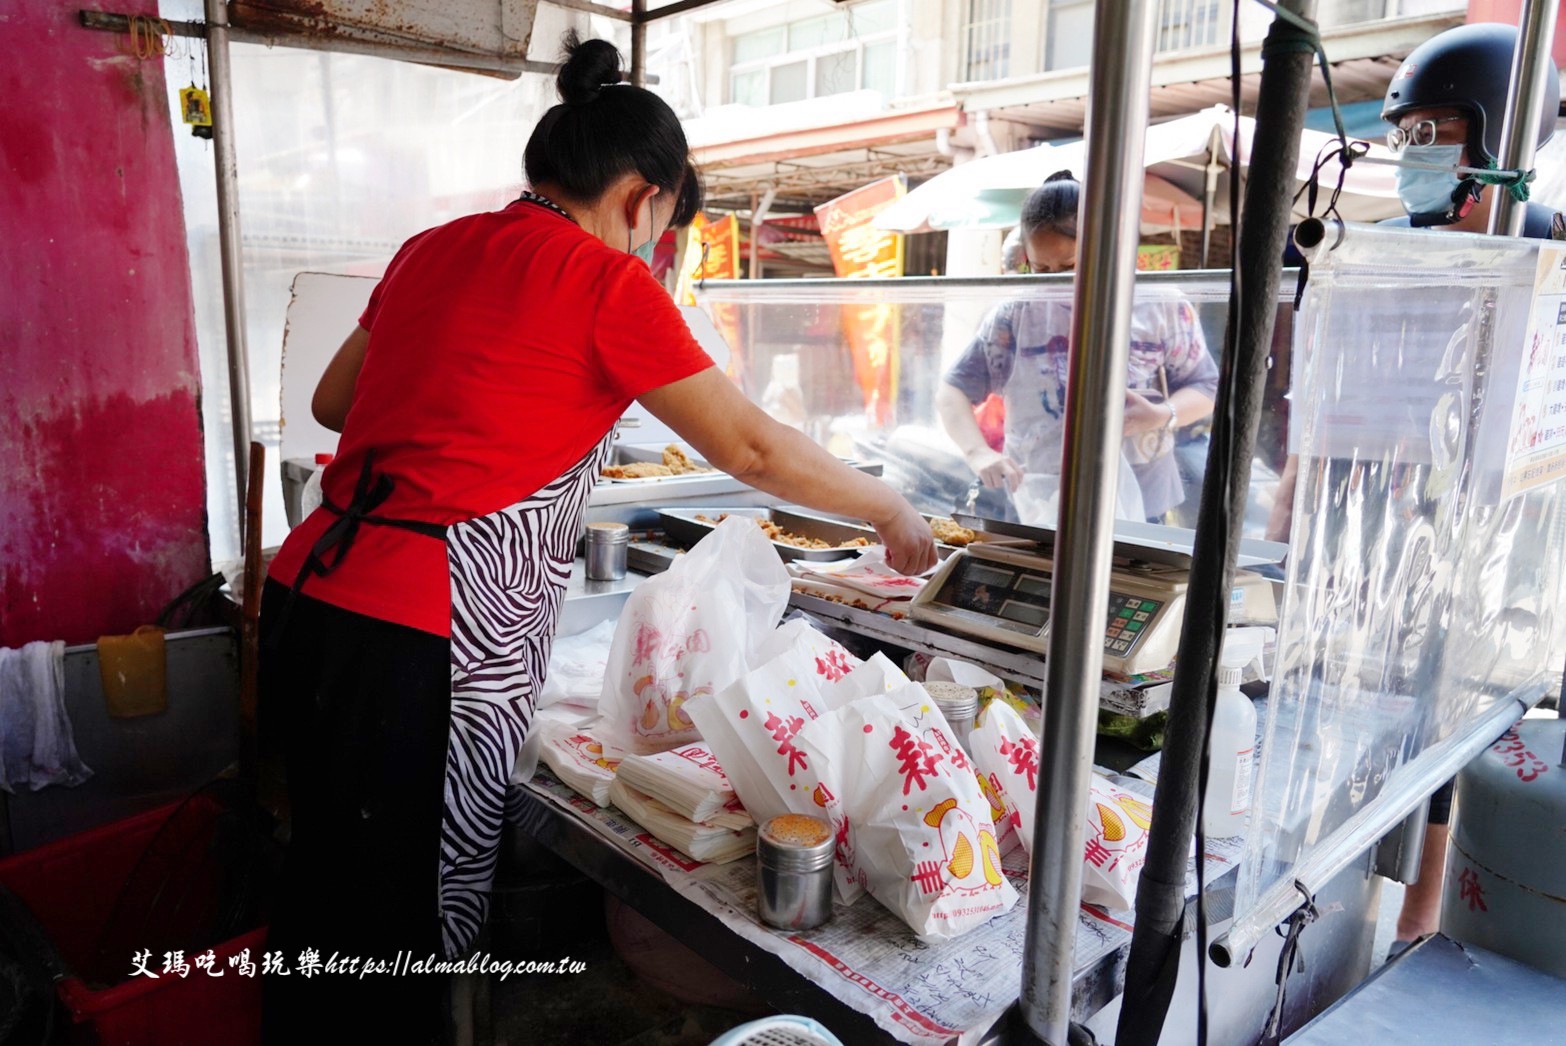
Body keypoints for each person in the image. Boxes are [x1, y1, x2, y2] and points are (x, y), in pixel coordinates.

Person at [257, 33, 935, 1044]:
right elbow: (752, 446)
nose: (653, 249)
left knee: (320, 883)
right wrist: (889, 509)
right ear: (641, 196)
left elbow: (332, 399)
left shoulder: (432, 247)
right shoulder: (605, 282)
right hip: (418, 635)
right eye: (662, 226)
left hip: (309, 595)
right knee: (397, 927)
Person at [1265, 21, 1561, 955]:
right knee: (1344, 741)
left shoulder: (1548, 258)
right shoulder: (1373, 254)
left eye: (1437, 132)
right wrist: (1286, 527)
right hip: (1368, 550)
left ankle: (1422, 924)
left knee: (1457, 741)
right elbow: (1318, 415)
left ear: (1501, 139)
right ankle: (1313, 925)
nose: (1414, 156)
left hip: (1502, 560)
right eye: (1408, 136)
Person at [936, 171, 1218, 524]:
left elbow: (1206, 387)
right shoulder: (1015, 314)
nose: (1056, 282)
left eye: (1071, 266)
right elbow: (953, 391)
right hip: (1038, 498)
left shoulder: (1160, 304)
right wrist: (978, 452)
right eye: (1041, 270)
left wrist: (1161, 415)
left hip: (1143, 499)